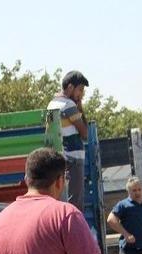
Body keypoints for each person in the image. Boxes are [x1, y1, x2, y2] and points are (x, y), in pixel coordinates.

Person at [47, 70, 89, 212]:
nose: (81, 94)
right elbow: (85, 133)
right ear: (70, 87)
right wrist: (80, 107)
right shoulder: (69, 105)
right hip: (74, 157)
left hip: (60, 156)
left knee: (62, 202)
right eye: (80, 90)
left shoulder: (52, 104)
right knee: (76, 203)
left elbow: (49, 132)